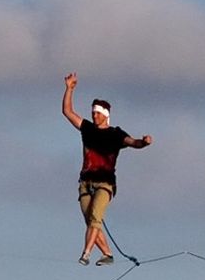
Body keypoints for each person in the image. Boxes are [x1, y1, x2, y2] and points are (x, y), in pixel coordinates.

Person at [61, 72, 152, 266]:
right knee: (90, 221)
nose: (94, 115)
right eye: (93, 112)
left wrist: (143, 143)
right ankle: (108, 254)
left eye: (98, 113)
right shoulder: (87, 128)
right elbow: (68, 112)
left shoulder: (115, 134)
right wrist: (69, 89)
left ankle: (85, 253)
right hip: (85, 183)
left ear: (106, 115)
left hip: (105, 183)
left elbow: (132, 142)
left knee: (95, 218)